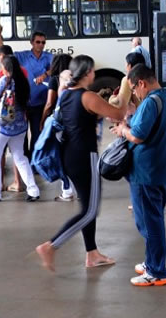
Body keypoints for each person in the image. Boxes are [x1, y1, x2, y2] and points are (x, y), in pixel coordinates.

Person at [35, 55, 127, 271]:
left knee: (87, 204)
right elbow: (119, 113)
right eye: (93, 70)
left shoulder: (66, 94)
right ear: (87, 73)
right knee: (90, 210)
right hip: (85, 156)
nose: (94, 74)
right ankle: (51, 246)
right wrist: (124, 88)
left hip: (69, 156)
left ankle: (92, 253)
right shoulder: (88, 97)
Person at [112, 64, 166, 287]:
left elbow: (138, 136)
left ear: (141, 83)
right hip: (162, 169)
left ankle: (156, 271)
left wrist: (123, 130)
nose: (134, 93)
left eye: (133, 88)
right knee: (153, 217)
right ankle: (152, 261)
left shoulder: (151, 102)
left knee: (149, 223)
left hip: (146, 172)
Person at [0, 56, 41, 203]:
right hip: (20, 127)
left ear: (5, 68)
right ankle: (33, 190)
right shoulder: (23, 82)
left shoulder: (4, 81)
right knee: (20, 158)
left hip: (3, 127)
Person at [15, 31, 54, 166]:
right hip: (24, 103)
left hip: (40, 103)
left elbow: (58, 67)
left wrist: (45, 74)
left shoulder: (49, 57)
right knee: (22, 135)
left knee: (37, 133)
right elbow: (5, 56)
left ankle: (35, 162)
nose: (41, 45)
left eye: (43, 42)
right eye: (38, 42)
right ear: (31, 42)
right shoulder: (23, 56)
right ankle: (24, 162)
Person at [41, 53, 76, 202]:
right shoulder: (76, 80)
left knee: (61, 157)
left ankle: (67, 191)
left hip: (60, 123)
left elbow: (49, 104)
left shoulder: (55, 80)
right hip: (74, 122)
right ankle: (79, 189)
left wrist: (42, 120)